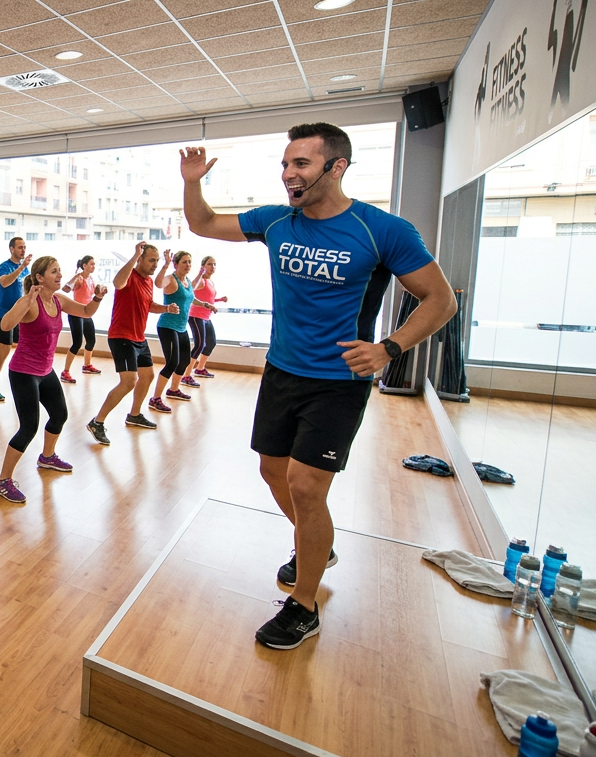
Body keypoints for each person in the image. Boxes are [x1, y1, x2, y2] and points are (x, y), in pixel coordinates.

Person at [180, 122, 456, 649]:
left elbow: (441, 299)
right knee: (272, 472)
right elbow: (204, 222)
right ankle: (316, 543)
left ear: (337, 167)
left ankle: (303, 606)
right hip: (282, 370)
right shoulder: (278, 219)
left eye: (301, 164)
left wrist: (389, 348)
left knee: (308, 487)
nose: (289, 175)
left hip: (337, 381)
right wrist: (193, 181)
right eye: (285, 165)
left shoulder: (382, 230)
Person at [0, 257, 106, 504]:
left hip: (45, 371)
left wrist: (97, 298)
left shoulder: (58, 300)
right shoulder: (29, 302)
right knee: (28, 427)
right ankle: (2, 481)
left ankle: (47, 456)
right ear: (40, 277)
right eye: (54, 271)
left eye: (59, 270)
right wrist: (26, 302)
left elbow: (85, 311)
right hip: (23, 372)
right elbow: (5, 324)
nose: (59, 274)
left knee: (60, 415)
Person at [85, 243, 179, 445]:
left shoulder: (147, 282)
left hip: (139, 337)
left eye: (157, 261)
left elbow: (148, 305)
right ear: (140, 260)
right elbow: (118, 283)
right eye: (151, 260)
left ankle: (134, 414)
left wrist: (166, 309)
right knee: (128, 381)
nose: (155, 264)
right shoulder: (129, 277)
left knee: (147, 376)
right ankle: (97, 422)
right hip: (122, 337)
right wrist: (135, 254)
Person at [147, 251, 217, 412]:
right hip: (167, 326)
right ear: (176, 264)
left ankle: (173, 389)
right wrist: (165, 264)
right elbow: (158, 283)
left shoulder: (187, 282)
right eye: (184, 262)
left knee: (185, 361)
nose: (188, 265)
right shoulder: (171, 279)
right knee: (172, 362)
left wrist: (206, 304)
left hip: (181, 327)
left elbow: (191, 298)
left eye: (189, 262)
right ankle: (155, 398)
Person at [0, 237, 31, 402]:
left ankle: (23, 383)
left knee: (23, 348)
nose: (23, 250)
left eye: (24, 247)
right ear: (12, 249)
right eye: (20, 247)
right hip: (5, 313)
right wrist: (22, 267)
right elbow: (5, 283)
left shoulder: (26, 270)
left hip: (21, 314)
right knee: (4, 350)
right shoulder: (5, 266)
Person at [184, 256, 227, 383]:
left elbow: (208, 298)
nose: (212, 267)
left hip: (206, 317)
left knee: (211, 342)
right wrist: (199, 274)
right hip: (196, 316)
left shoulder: (210, 282)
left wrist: (219, 300)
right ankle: (186, 376)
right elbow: (190, 290)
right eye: (209, 264)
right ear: (203, 266)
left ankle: (200, 368)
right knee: (199, 345)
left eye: (214, 264)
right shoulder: (201, 281)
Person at [60, 256, 101, 383]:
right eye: (91, 264)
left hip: (86, 314)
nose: (94, 266)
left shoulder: (90, 279)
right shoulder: (79, 279)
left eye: (94, 264)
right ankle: (65, 371)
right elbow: (65, 289)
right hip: (76, 313)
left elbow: (93, 293)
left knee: (91, 340)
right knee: (77, 343)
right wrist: (75, 277)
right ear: (84, 265)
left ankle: (87, 365)